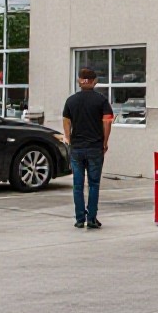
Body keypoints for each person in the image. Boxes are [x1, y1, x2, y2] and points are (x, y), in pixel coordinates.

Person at [63, 68, 114, 228]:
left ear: (79, 80)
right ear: (94, 81)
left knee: (78, 185)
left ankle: (79, 219)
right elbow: (107, 122)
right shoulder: (101, 100)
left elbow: (66, 121)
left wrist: (69, 139)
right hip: (94, 147)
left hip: (77, 148)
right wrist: (104, 142)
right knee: (94, 184)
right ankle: (91, 218)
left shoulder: (71, 100)